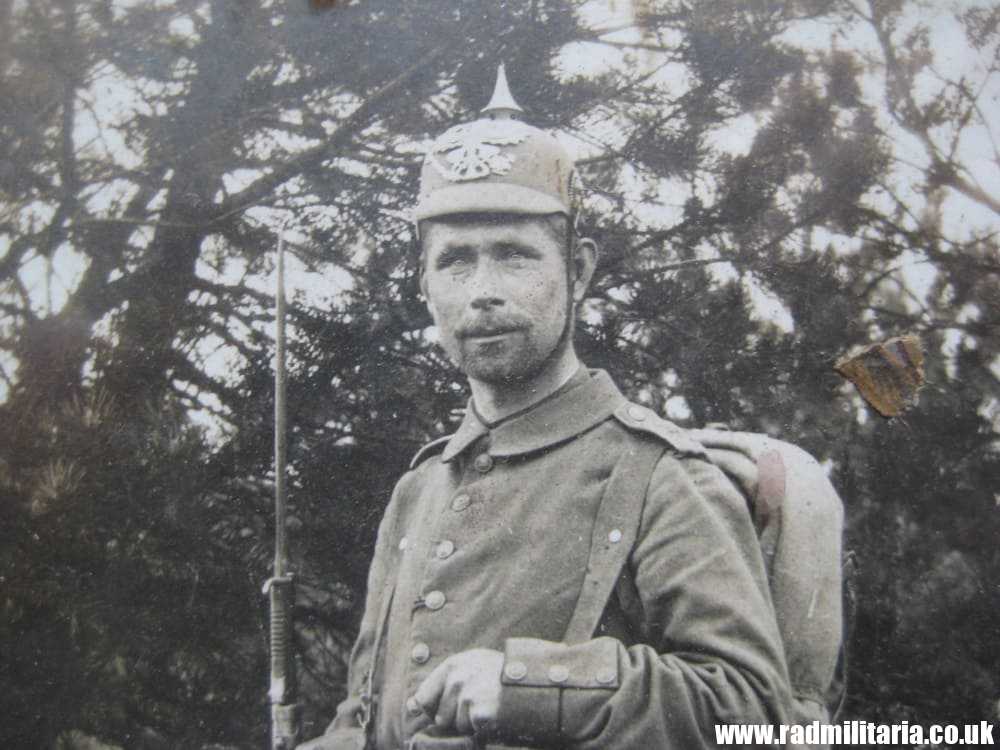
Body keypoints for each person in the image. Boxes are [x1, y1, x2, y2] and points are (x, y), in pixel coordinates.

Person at [298, 67, 836, 750]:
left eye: (514, 256)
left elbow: (751, 710)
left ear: (578, 271)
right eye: (455, 261)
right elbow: (366, 716)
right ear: (424, 285)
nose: (483, 290)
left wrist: (531, 687)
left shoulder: (660, 478)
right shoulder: (420, 489)